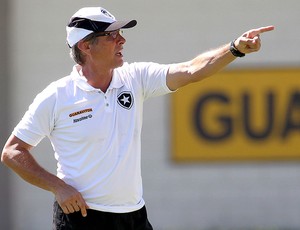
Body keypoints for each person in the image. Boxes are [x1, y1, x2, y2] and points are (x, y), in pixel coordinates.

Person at [1, 6, 274, 230]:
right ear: (85, 46)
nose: (122, 40)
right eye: (111, 36)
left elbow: (191, 70)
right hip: (80, 219)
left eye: (120, 34)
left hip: (134, 217)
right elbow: (13, 152)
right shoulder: (57, 96)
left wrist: (235, 49)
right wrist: (58, 188)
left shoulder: (135, 77)